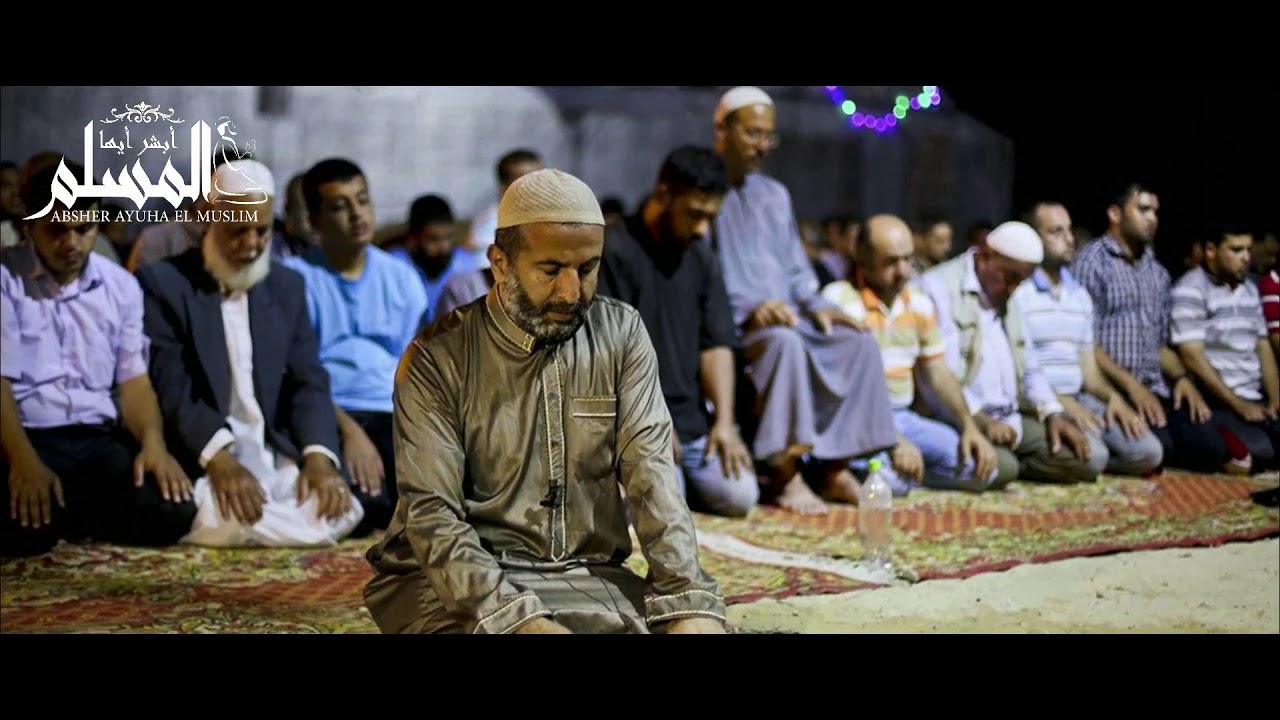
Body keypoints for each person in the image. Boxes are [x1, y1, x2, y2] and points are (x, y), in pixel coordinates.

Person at [364, 168, 727, 634]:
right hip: (448, 582)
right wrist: (520, 623)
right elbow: (433, 517)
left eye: (587, 269)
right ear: (499, 263)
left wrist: (684, 597)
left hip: (585, 573)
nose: (572, 293)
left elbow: (652, 475)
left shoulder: (621, 334)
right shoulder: (436, 358)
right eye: (551, 270)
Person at [138, 159, 364, 547]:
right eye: (237, 231)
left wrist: (318, 458)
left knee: (354, 499)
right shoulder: (165, 284)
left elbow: (307, 379)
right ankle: (263, 523)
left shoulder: (286, 285)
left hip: (272, 452)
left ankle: (246, 525)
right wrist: (221, 460)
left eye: (262, 231)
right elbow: (173, 388)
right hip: (201, 452)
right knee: (158, 507)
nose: (251, 244)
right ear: (211, 217)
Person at [710, 86, 898, 514]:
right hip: (737, 326)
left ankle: (835, 467)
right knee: (785, 342)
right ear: (722, 130)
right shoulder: (703, 189)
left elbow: (797, 272)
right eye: (753, 133)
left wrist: (820, 305)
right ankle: (786, 474)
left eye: (768, 136)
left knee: (859, 342)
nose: (763, 145)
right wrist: (750, 309)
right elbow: (703, 278)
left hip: (787, 316)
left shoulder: (775, 195)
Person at [2, 162, 195, 557]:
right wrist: (23, 462)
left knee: (174, 511)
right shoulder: (6, 276)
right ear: (28, 227)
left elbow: (134, 381)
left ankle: (73, 512)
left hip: (95, 439)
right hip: (27, 436)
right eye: (57, 230)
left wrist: (154, 445)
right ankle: (74, 513)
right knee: (26, 531)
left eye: (83, 229)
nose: (71, 243)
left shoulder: (120, 285)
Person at [597, 145, 758, 517]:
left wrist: (724, 422)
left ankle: (682, 481)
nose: (702, 228)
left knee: (740, 496)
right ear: (664, 194)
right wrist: (646, 419)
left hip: (691, 423)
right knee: (662, 508)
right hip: (635, 417)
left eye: (710, 217)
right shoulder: (615, 250)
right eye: (695, 214)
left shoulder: (700, 253)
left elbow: (715, 342)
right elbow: (608, 350)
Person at [282, 158, 428, 536]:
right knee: (361, 505)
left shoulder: (401, 278)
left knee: (437, 497)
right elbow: (295, 376)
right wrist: (348, 431)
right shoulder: (294, 281)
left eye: (362, 200)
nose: (356, 214)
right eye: (339, 206)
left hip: (391, 410)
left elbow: (415, 366)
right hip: (329, 411)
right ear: (314, 222)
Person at [822, 214, 999, 491]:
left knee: (981, 469)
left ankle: (901, 471)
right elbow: (836, 393)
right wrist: (889, 438)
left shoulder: (917, 302)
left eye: (907, 259)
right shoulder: (838, 302)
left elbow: (937, 370)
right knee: (889, 483)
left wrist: (969, 426)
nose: (903, 270)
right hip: (856, 419)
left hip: (903, 416)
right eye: (891, 262)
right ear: (864, 259)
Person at [918, 221, 1097, 486]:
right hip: (959, 417)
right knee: (1002, 468)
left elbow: (1031, 366)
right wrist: (982, 421)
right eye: (1010, 276)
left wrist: (1052, 412)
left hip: (1009, 418)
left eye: (1021, 280)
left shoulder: (1009, 294)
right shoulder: (939, 288)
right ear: (986, 256)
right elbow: (941, 374)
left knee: (1084, 460)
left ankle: (1002, 459)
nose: (1015, 287)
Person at [1070, 183, 1224, 472]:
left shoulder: (1157, 273)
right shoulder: (1092, 263)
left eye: (1155, 211)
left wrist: (1181, 378)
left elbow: (1159, 343)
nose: (1152, 218)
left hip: (1154, 386)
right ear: (1115, 214)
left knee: (1210, 450)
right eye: (1143, 209)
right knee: (1158, 450)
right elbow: (1085, 343)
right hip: (1111, 386)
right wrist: (1133, 387)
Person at [1012, 202, 1164, 476]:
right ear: (1035, 238)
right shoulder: (1020, 294)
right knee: (1094, 457)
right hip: (1042, 401)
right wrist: (1062, 404)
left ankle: (1086, 466)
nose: (1069, 239)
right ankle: (1062, 464)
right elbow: (1020, 371)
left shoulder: (1079, 295)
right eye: (1056, 232)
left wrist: (1114, 398)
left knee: (1149, 454)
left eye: (1069, 230)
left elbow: (1089, 371)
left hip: (1081, 397)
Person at [1170, 226, 1278, 471]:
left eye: (1248, 250)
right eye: (1236, 250)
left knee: (1266, 446)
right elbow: (1191, 355)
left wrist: (1275, 399)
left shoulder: (1250, 290)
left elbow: (1263, 347)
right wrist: (1237, 403)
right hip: (1217, 400)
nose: (1245, 257)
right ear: (1211, 250)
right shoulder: (1191, 289)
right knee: (1243, 452)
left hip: (1253, 398)